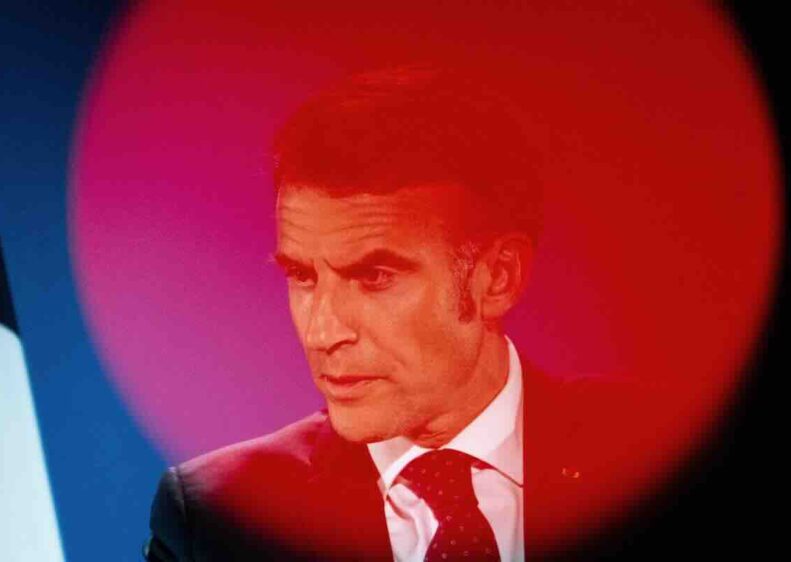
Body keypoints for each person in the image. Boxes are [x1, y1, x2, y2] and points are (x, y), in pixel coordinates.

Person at [144, 65, 648, 562]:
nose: (322, 332)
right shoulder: (219, 521)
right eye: (302, 275)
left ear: (497, 278)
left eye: (375, 277)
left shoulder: (649, 456)